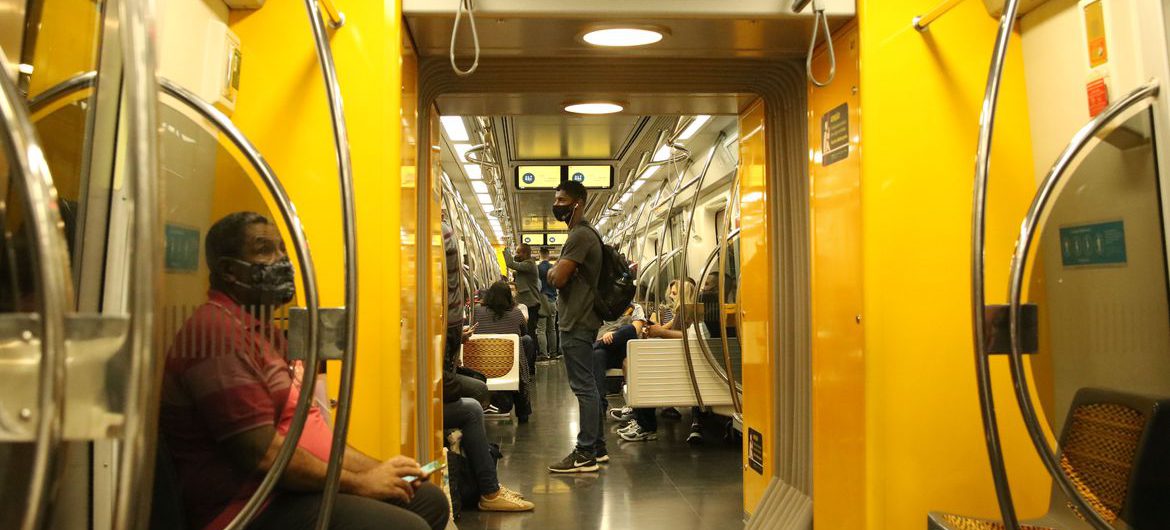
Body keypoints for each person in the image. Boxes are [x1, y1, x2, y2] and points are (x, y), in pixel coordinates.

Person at [160, 212, 449, 530]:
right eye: (264, 249)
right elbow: (264, 455)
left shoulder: (262, 331)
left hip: (283, 492)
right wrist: (360, 483)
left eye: (282, 249)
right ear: (229, 270)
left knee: (427, 500)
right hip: (248, 508)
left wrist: (380, 471)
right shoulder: (216, 334)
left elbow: (308, 430)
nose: (280, 260)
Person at [441, 219, 535, 512]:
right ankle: (488, 488)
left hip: (475, 364)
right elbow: (522, 329)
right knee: (527, 345)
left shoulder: (477, 315)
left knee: (476, 388)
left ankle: (485, 477)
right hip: (507, 370)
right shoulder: (517, 314)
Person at [545, 180, 606, 473]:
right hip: (582, 318)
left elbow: (557, 279)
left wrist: (554, 272)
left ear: (577, 203)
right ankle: (598, 447)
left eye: (561, 200)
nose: (557, 205)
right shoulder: (583, 234)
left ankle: (585, 453)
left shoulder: (580, 236)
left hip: (577, 321)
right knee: (589, 385)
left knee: (583, 387)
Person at [472, 281, 536, 423]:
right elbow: (524, 332)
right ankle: (523, 413)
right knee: (521, 356)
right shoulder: (516, 313)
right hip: (509, 366)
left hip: (481, 363)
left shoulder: (477, 311)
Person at [503, 243, 550, 347]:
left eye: (518, 252)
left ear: (524, 253)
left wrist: (506, 249)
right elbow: (525, 282)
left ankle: (531, 357)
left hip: (531, 304)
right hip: (528, 303)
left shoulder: (529, 264)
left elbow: (510, 263)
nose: (517, 254)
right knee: (528, 331)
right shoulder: (527, 264)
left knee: (530, 332)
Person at [536, 247, 558, 359]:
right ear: (548, 255)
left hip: (542, 302)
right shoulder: (554, 267)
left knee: (541, 330)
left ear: (540, 255)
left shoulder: (537, 268)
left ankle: (544, 354)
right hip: (553, 300)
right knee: (552, 329)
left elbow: (537, 286)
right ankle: (553, 354)